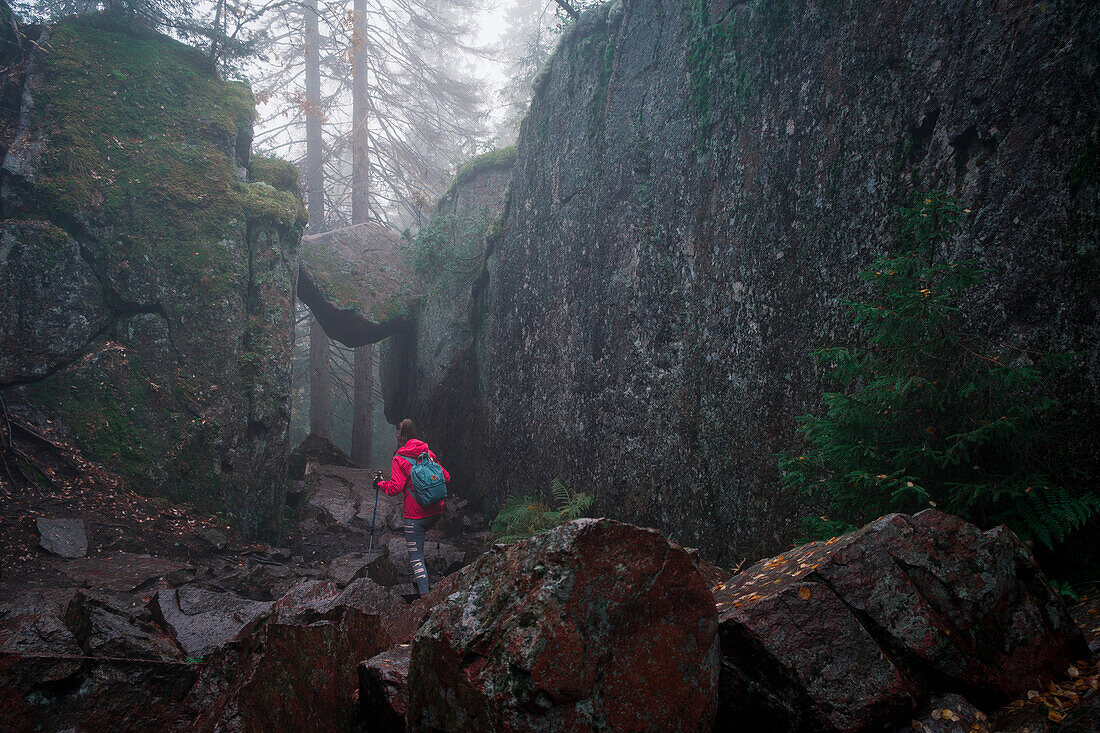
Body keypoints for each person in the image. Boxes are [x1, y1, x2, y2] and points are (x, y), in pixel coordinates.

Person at [374, 418, 449, 598]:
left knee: (416, 556)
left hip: (415, 516)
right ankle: (418, 580)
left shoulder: (399, 458)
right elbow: (445, 477)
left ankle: (425, 597)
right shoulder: (428, 453)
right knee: (420, 544)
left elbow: (395, 488)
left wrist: (379, 483)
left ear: (400, 437)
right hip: (436, 511)